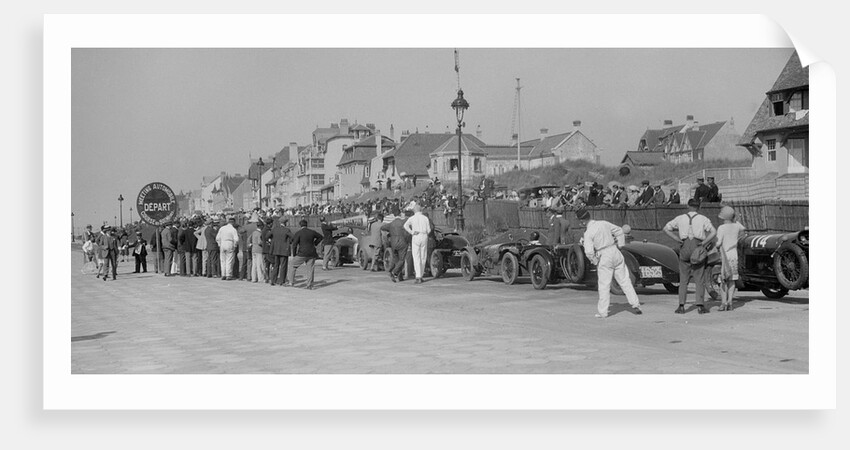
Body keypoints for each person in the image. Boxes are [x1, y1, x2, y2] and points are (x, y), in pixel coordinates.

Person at [577, 208, 642, 318]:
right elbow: (619, 231)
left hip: (603, 254)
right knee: (625, 280)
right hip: (615, 251)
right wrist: (620, 245)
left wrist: (595, 261)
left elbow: (588, 252)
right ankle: (635, 304)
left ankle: (603, 312)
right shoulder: (603, 223)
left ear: (583, 221)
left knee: (604, 285)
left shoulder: (588, 233)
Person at [663, 198, 717, 314]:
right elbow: (713, 232)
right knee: (699, 278)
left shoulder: (680, 218)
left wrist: (676, 238)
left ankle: (681, 306)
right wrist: (704, 242)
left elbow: (666, 228)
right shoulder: (703, 219)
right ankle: (700, 306)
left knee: (683, 279)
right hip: (697, 246)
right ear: (699, 207)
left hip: (684, 246)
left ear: (688, 206)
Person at [715, 206, 746, 311]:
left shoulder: (721, 228)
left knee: (723, 280)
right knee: (732, 280)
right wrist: (736, 220)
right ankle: (730, 302)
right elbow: (743, 228)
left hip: (724, 256)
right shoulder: (736, 227)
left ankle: (723, 303)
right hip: (734, 255)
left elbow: (718, 243)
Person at [286, 219, 323, 289]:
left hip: (302, 253)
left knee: (292, 265)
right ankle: (309, 284)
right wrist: (315, 243)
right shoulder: (312, 232)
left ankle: (291, 282)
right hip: (312, 252)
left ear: (300, 225)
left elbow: (294, 244)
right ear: (307, 225)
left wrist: (294, 254)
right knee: (310, 269)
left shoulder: (299, 233)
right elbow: (320, 237)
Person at [403, 204, 431, 284]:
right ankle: (421, 275)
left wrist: (411, 232)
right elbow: (429, 230)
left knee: (416, 256)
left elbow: (405, 226)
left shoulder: (412, 218)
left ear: (414, 211)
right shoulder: (425, 218)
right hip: (424, 235)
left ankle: (418, 276)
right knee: (423, 256)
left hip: (416, 235)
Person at [382, 210, 411, 282]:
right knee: (402, 260)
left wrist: (390, 232)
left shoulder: (391, 224)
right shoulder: (403, 222)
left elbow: (382, 227)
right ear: (400, 215)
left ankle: (399, 277)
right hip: (402, 242)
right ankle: (394, 272)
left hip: (393, 243)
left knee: (397, 260)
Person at [268, 217, 293, 286]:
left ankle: (273, 280)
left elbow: (267, 236)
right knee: (283, 266)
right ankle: (281, 281)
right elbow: (293, 237)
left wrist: (273, 240)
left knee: (276, 265)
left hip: (276, 249)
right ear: (285, 223)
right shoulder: (287, 230)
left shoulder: (275, 229)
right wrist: (289, 242)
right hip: (284, 250)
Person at [216, 216, 239, 280]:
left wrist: (219, 244)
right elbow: (236, 239)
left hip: (223, 243)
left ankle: (223, 274)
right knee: (229, 260)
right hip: (229, 243)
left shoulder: (222, 228)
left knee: (222, 260)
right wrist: (235, 245)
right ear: (233, 223)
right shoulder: (233, 229)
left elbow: (217, 238)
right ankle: (228, 274)